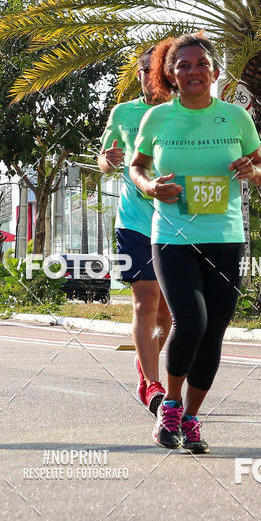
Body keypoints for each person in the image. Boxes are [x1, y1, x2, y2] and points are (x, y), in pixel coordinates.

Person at [130, 34, 261, 454]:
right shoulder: (156, 119)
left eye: (201, 64)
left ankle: (191, 419)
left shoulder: (235, 118)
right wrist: (151, 186)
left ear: (215, 71)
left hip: (226, 239)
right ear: (171, 74)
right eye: (183, 65)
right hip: (173, 238)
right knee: (190, 322)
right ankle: (169, 406)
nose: (193, 71)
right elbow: (137, 167)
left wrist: (252, 170)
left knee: (214, 333)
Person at [98, 48, 173, 416]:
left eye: (154, 70)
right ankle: (154, 386)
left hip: (178, 223)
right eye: (143, 71)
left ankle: (145, 371)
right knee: (145, 301)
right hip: (134, 222)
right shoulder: (123, 113)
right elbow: (104, 157)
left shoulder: (185, 113)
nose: (147, 76)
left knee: (167, 317)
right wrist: (107, 161)